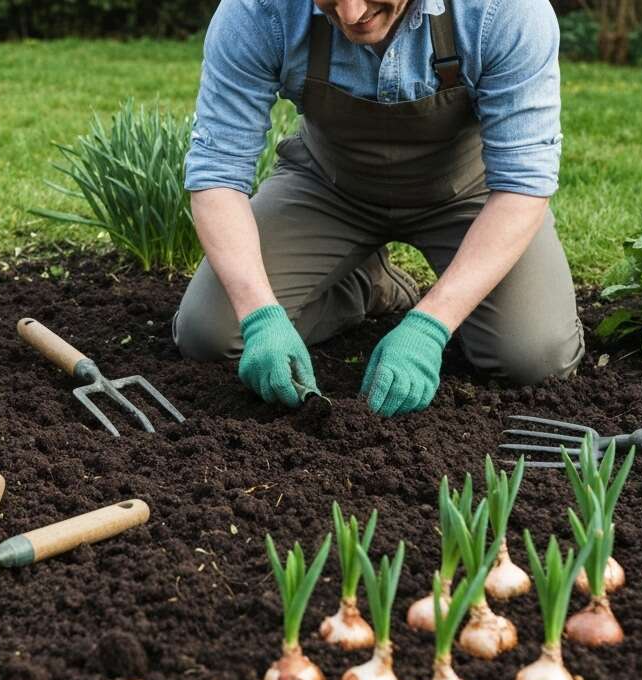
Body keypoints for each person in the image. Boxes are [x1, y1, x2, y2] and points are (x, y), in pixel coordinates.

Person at [172, 0, 584, 416]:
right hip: (328, 188)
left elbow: (522, 185)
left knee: (533, 356)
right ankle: (366, 285)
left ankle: (431, 300)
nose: (351, 14)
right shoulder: (260, 9)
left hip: (469, 197)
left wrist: (431, 324)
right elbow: (218, 173)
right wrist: (260, 316)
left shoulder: (504, 10)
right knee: (211, 334)